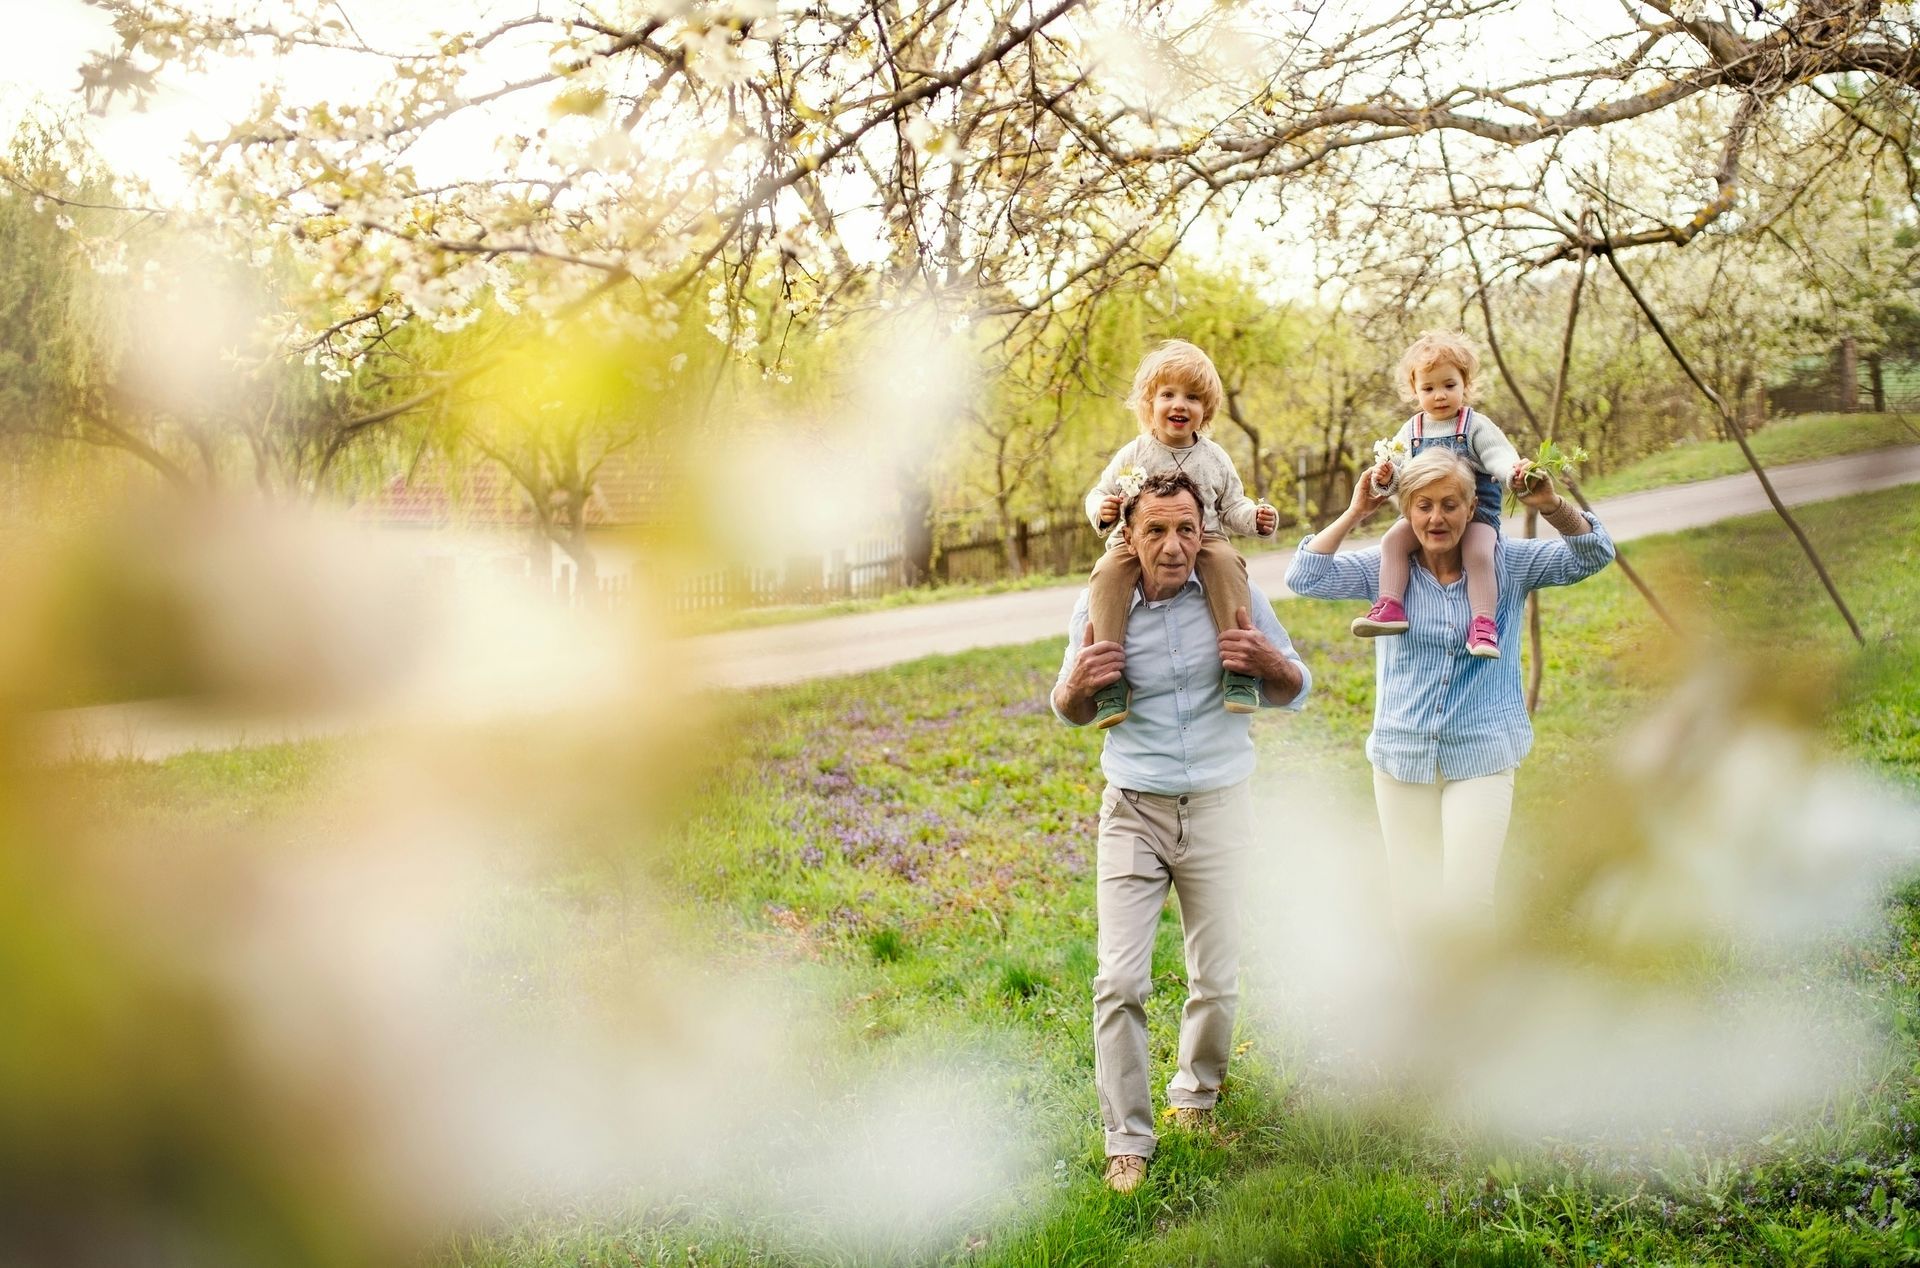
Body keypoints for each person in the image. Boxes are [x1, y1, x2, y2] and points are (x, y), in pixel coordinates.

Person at [1051, 470, 1311, 1195]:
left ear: (1205, 534)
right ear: (1128, 538)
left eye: (1187, 530)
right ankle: (1127, 1138)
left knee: (1215, 977)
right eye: (1156, 530)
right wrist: (1075, 688)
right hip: (1134, 810)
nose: (1173, 546)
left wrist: (1269, 667)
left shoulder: (1235, 598)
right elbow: (1067, 706)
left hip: (1222, 807)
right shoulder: (1101, 604)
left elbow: (1298, 686)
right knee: (1120, 979)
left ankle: (1195, 1097)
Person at [1285, 448, 1614, 942]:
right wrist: (1356, 512)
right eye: (1423, 505)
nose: (1436, 518)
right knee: (1412, 902)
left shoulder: (1509, 564)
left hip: (1481, 755)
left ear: (1470, 508)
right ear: (1407, 510)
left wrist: (1551, 505)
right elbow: (1304, 576)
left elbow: (1594, 554)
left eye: (1449, 504)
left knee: (1467, 901)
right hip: (1402, 757)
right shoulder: (1384, 569)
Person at [1083, 340, 1279, 728]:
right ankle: (1109, 683)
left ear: (1205, 410)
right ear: (1149, 405)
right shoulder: (1134, 453)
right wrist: (1103, 510)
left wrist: (1253, 517)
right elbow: (1100, 493)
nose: (1179, 405)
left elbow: (1231, 505)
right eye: (1167, 395)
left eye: (1192, 397)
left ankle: (1238, 670)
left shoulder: (1214, 457)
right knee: (1107, 573)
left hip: (1203, 538)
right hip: (1135, 541)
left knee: (1227, 562)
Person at [1350, 331, 1524, 658]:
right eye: (1428, 389)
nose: (1440, 395)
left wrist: (1512, 473)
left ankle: (1483, 625)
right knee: (1392, 542)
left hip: (1476, 513)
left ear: (1465, 385)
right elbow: (1399, 474)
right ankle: (1390, 605)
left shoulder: (1474, 425)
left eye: (1449, 385)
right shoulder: (1412, 431)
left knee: (1479, 554)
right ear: (1415, 392)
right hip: (1425, 518)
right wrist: (1387, 477)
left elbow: (1498, 455)